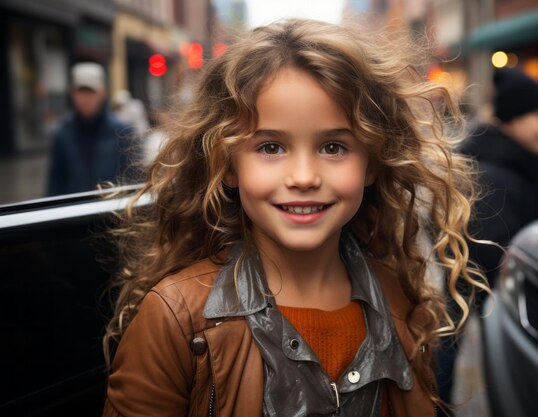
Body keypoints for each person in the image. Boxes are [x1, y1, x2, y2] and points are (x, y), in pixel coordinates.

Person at [102, 19, 487, 417]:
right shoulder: (176, 318)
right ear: (227, 165)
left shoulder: (401, 303)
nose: (304, 177)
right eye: (271, 147)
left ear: (372, 162)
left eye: (334, 147)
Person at [435, 68, 538, 405]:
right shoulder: (496, 173)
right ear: (514, 119)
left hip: (478, 295)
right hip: (485, 295)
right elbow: (492, 253)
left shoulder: (516, 161)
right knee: (452, 360)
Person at [47, 62, 133, 196]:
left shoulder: (122, 132)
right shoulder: (62, 133)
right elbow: (55, 182)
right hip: (73, 211)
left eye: (91, 92)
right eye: (81, 92)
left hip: (111, 211)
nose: (86, 98)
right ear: (73, 94)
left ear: (103, 92)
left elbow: (131, 180)